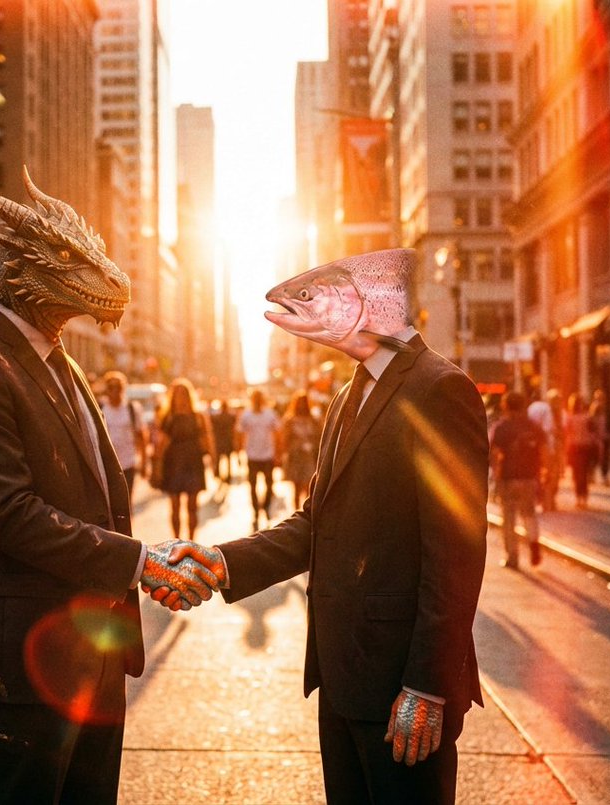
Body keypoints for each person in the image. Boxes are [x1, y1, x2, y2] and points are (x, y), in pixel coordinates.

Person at [0, 165, 220, 804]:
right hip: (25, 662)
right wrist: (140, 563)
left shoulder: (65, 363)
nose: (103, 281)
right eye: (68, 260)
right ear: (26, 266)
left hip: (93, 656)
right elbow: (8, 513)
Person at [158, 248, 489, 803]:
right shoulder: (345, 396)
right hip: (342, 678)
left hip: (400, 686)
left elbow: (457, 552)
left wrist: (428, 686)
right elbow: (317, 522)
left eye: (312, 297)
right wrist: (222, 560)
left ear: (368, 306)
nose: (298, 309)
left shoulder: (440, 389)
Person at [491, 391, 545, 568]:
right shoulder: (533, 426)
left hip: (508, 477)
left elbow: (494, 453)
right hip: (529, 477)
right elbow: (544, 449)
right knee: (529, 513)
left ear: (505, 406)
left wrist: (495, 475)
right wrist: (542, 472)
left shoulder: (502, 427)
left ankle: (512, 557)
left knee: (509, 518)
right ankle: (534, 543)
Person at [156, 378, 214, 541]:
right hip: (173, 462)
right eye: (177, 394)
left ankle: (191, 540)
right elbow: (162, 443)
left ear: (189, 396)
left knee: (192, 506)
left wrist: (213, 460)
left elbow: (206, 439)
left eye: (184, 394)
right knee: (174, 505)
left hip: (193, 461)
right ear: (172, 397)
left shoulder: (197, 416)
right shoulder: (168, 417)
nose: (180, 397)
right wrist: (157, 465)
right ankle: (176, 541)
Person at [99, 370, 148, 496]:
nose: (115, 391)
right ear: (107, 389)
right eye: (111, 387)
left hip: (128, 463)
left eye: (118, 387)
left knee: (125, 500)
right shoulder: (100, 408)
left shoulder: (132, 409)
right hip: (106, 464)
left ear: (123, 389)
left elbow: (141, 435)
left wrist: (144, 463)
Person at [238, 388, 280, 528]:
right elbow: (239, 433)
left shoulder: (270, 414)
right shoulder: (246, 415)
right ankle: (256, 511)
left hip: (268, 455)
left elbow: (277, 432)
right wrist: (238, 451)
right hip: (252, 455)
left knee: (269, 484)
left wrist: (278, 452)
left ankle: (266, 507)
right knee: (253, 485)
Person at [279, 389, 319, 509]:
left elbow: (319, 436)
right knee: (296, 487)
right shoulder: (290, 420)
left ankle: (306, 511)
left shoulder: (314, 420)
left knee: (308, 486)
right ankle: (296, 511)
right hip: (295, 456)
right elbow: (284, 439)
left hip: (308, 456)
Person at [527, 389, 562, 510]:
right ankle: (548, 503)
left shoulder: (532, 407)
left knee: (537, 474)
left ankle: (540, 500)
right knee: (549, 475)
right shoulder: (547, 410)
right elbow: (548, 429)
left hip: (533, 446)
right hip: (547, 446)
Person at [563, 392, 599, 509]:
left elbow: (566, 433)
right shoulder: (588, 417)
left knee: (576, 474)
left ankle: (579, 498)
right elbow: (593, 432)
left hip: (574, 447)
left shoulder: (570, 418)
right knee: (584, 473)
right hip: (586, 446)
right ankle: (584, 497)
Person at [209, 398, 238, 483]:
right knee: (228, 459)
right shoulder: (231, 417)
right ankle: (228, 475)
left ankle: (217, 473)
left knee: (219, 458)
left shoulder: (217, 417)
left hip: (220, 440)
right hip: (228, 439)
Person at [590, 389, 610, 485]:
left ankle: (597, 476)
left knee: (599, 458)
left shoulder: (605, 410)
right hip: (599, 437)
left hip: (601, 437)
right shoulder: (596, 408)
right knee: (598, 458)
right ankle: (598, 477)